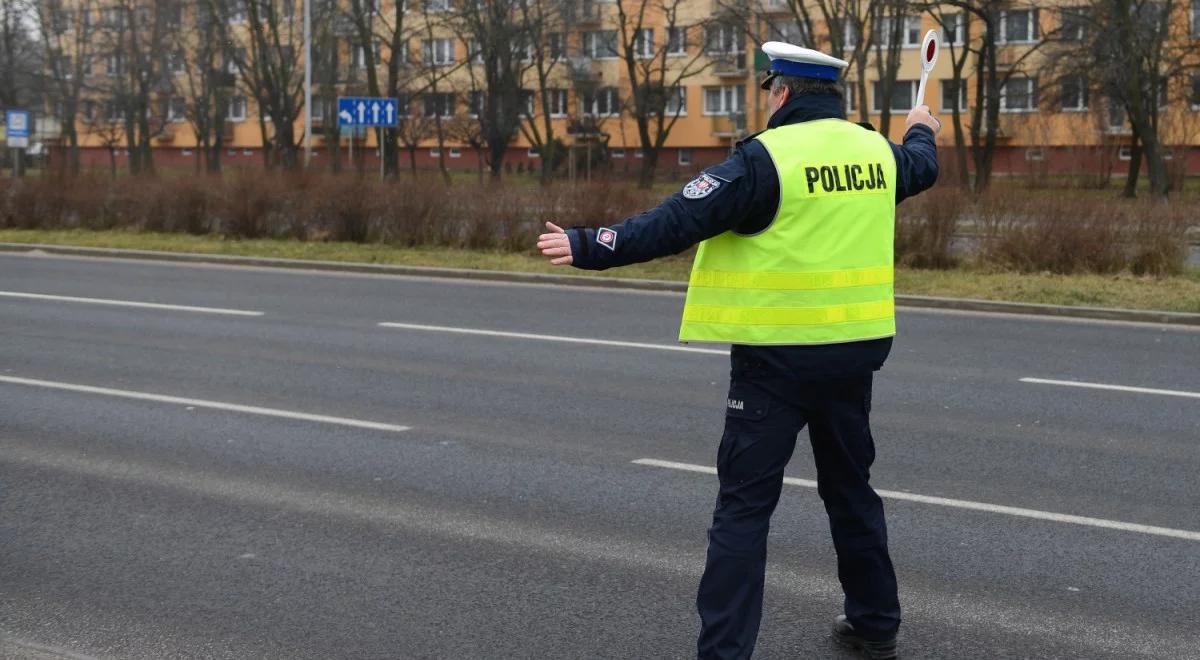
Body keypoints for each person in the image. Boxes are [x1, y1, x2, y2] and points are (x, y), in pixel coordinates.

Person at [536, 41, 939, 660]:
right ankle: (876, 622)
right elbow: (921, 167)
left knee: (744, 509)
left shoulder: (762, 159)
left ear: (781, 93)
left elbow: (675, 220)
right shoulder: (874, 153)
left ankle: (724, 652)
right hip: (854, 355)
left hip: (774, 361)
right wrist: (920, 131)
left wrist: (590, 243)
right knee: (850, 489)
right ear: (834, 97)